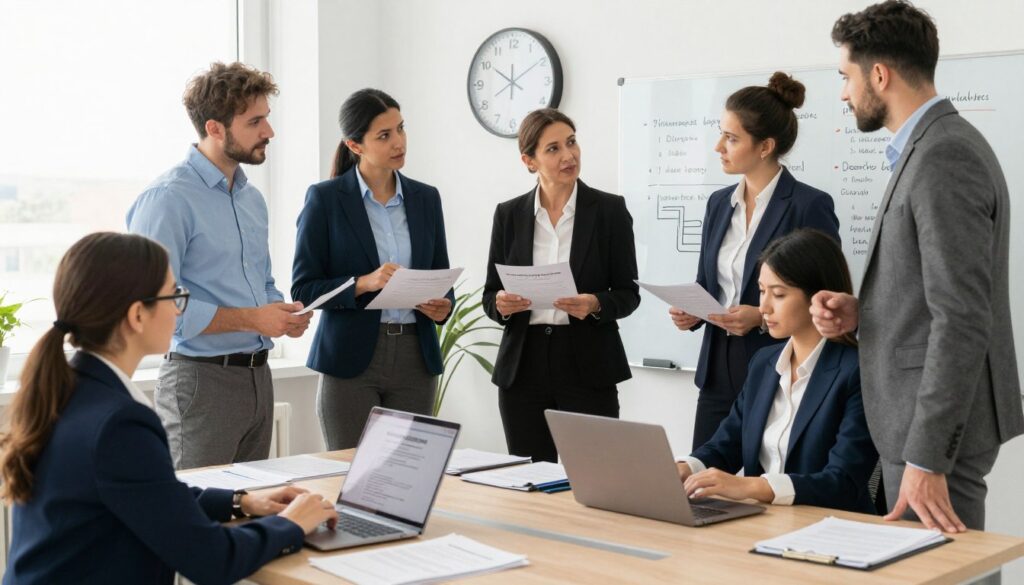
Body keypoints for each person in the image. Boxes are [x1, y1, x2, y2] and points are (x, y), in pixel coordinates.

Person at [0, 232, 337, 585]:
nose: (179, 308)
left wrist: (243, 502)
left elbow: (151, 495)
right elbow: (212, 559)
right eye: (175, 295)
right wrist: (291, 523)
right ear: (137, 315)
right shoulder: (118, 423)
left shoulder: (71, 388)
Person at [812, 0, 1023, 533]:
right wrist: (864, 313)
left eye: (846, 77)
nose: (843, 93)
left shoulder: (943, 156)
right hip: (911, 425)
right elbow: (932, 297)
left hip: (930, 437)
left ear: (878, 75)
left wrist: (928, 456)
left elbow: (963, 317)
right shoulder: (930, 148)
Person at [127, 62, 311, 469]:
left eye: (267, 118)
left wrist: (279, 312)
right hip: (199, 383)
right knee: (192, 517)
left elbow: (262, 280)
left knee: (246, 512)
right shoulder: (167, 199)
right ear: (214, 128)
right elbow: (156, 307)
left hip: (258, 380)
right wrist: (254, 319)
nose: (269, 132)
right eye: (255, 121)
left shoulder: (251, 199)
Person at [668, 72, 841, 450]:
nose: (719, 147)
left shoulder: (808, 205)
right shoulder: (718, 203)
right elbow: (707, 282)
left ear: (765, 147)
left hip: (780, 364)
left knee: (769, 481)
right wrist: (692, 311)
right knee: (703, 481)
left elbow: (829, 296)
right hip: (717, 369)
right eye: (721, 134)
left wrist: (759, 316)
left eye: (731, 138)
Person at [291, 89, 454, 450]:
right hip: (350, 360)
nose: (399, 142)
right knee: (351, 476)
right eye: (384, 135)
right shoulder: (325, 200)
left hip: (416, 357)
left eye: (400, 128)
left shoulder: (426, 199)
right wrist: (362, 283)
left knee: (408, 478)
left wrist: (443, 306)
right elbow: (304, 291)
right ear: (355, 145)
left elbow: (439, 276)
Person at [677, 229, 878, 513]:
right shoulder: (764, 362)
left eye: (779, 294)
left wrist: (752, 487)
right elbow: (727, 444)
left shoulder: (857, 370)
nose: (764, 307)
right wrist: (686, 467)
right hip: (765, 521)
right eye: (761, 291)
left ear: (819, 296)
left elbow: (843, 482)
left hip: (832, 527)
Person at [482, 108, 640, 463]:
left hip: (587, 360)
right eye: (553, 149)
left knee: (595, 476)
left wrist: (595, 304)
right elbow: (490, 294)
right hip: (524, 366)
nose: (568, 155)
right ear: (529, 160)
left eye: (571, 142)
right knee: (531, 480)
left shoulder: (610, 211)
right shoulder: (508, 215)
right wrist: (501, 305)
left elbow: (629, 295)